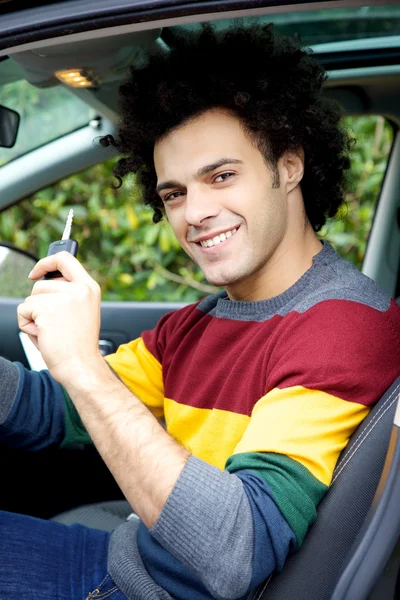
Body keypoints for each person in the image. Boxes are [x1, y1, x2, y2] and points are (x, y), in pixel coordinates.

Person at [1, 22, 400, 600]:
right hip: (133, 562)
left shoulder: (344, 326)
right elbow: (55, 410)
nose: (196, 212)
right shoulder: (201, 323)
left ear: (289, 165)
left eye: (222, 176)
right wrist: (77, 374)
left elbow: (234, 554)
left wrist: (86, 367)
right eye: (175, 193)